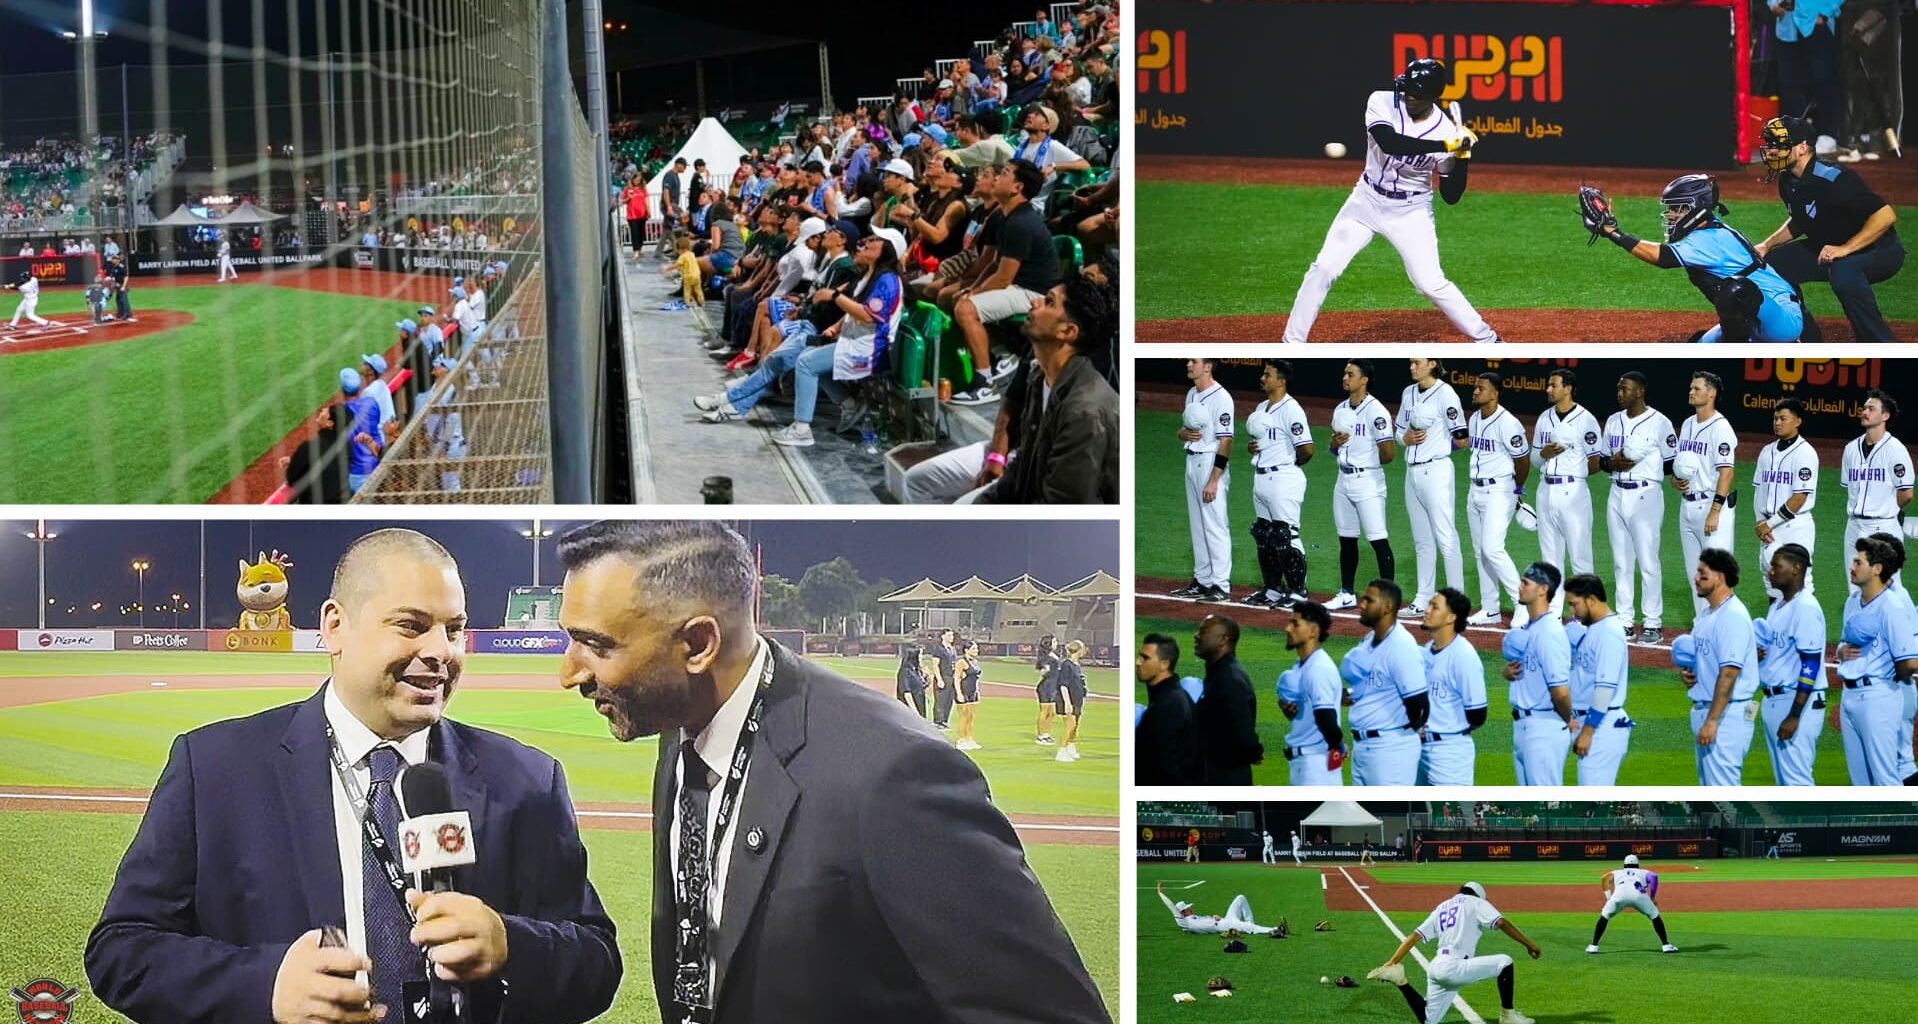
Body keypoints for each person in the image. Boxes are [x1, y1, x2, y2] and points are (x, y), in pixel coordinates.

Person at [551, 521, 1109, 1023]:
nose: (568, 673)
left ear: (699, 644)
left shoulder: (897, 775)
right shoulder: (679, 726)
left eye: (596, 645)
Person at [86, 529, 622, 1024]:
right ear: (335, 626)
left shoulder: (527, 779)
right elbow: (121, 950)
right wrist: (264, 986)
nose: (441, 652)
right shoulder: (214, 768)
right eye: (412, 625)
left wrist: (510, 946)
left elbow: (596, 960)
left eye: (455, 630)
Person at [1283, 58, 1499, 343]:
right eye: (1405, 88)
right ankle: (1292, 343)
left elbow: (1451, 196)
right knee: (1323, 268)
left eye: (1415, 93)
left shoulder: (1446, 130)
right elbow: (1390, 142)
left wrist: (1462, 157)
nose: (1407, 95)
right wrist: (1445, 146)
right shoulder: (1382, 101)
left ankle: (1487, 339)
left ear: (1432, 97)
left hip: (1411, 211)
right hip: (1366, 200)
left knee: (1430, 284)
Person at [1587, 173, 1805, 342]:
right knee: (1699, 347)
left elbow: (1662, 258)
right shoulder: (1708, 229)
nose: (1670, 215)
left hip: (1781, 320)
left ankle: (1776, 345)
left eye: (1676, 208)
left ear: (1695, 208)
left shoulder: (1709, 239)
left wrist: (1614, 233)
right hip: (1758, 315)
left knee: (1735, 292)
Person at [1753, 115, 1904, 342]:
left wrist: (1844, 249)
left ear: (1802, 148)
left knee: (1843, 272)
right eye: (1770, 145)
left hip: (1880, 249)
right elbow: (1801, 219)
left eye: (1778, 145)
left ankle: (1880, 345)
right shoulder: (1788, 180)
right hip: (1830, 248)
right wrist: (1767, 245)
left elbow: (1885, 216)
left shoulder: (1834, 178)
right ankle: (1806, 337)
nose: (1771, 151)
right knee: (1773, 266)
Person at [974, 280, 1119, 504]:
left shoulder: (1084, 411)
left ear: (1068, 331)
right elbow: (1023, 465)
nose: (1034, 301)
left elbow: (1062, 508)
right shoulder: (1040, 378)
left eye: (1049, 302)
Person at [769, 227, 907, 449]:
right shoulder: (869, 275)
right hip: (854, 341)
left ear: (887, 249)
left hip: (871, 349)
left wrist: (834, 296)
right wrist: (836, 326)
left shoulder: (888, 280)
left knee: (806, 363)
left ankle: (802, 428)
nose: (867, 242)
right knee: (809, 357)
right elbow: (855, 310)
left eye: (874, 240)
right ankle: (850, 403)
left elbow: (868, 315)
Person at [949, 159, 1061, 405]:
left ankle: (984, 382)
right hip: (1015, 286)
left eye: (1005, 173)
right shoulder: (1004, 215)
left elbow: (1003, 277)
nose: (998, 177)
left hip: (1033, 291)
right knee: (963, 298)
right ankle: (1001, 355)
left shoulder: (1021, 223)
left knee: (965, 308)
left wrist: (973, 294)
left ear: (1016, 188)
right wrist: (973, 288)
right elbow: (992, 265)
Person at [1367, 882, 1540, 1024]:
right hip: (1455, 966)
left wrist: (1392, 961)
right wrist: (1529, 944)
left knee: (1429, 1020)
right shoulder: (1476, 902)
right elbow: (1501, 923)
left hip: (1436, 967)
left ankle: (1400, 980)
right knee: (1505, 962)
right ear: (1477, 895)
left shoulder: (1442, 907)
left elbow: (1414, 936)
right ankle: (1508, 1016)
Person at [1600, 371, 1678, 645]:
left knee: (1647, 561)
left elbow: (1671, 463)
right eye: (1619, 389)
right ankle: (1624, 621)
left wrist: (1661, 473)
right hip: (1616, 493)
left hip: (1646, 495)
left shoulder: (1660, 422)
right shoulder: (1612, 421)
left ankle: (1653, 623)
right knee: (1621, 563)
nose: (1620, 393)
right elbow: (1603, 458)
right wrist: (1613, 465)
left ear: (1640, 391)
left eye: (1625, 389)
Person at [1835, 535, 1918, 785]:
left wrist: (1885, 677)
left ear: (1877, 569)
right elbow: (1843, 640)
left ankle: (1901, 823)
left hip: (1878, 697)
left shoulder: (1892, 605)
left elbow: (1910, 660)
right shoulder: (1853, 601)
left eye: (1858, 562)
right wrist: (1840, 651)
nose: (1852, 566)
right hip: (1849, 695)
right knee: (1861, 781)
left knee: (1886, 776)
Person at [1395, 358, 1466, 617]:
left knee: (1446, 537)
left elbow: (1462, 437)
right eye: (1411, 362)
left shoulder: (1446, 394)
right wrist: (1405, 438)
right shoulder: (1408, 392)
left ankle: (1455, 602)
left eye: (1417, 362)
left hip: (1436, 471)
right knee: (1422, 540)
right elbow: (1398, 432)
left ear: (1433, 364)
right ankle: (1423, 598)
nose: (1412, 366)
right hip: (1411, 472)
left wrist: (1439, 447)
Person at [1682, 549, 1760, 785]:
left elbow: (1729, 673)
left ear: (1720, 577)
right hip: (1710, 711)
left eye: (1702, 574)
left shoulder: (1732, 616)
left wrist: (1712, 721)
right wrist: (1692, 674)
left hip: (1727, 716)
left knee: (1723, 792)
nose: (1696, 578)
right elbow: (1710, 663)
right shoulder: (1707, 615)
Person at [1341, 580, 1428, 786]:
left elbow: (1420, 707)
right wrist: (1351, 694)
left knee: (1390, 816)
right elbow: (1378, 686)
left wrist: (1398, 736)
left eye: (1369, 600)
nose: (1362, 605)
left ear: (1388, 607)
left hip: (1390, 751)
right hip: (1364, 749)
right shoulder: (1370, 639)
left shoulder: (1401, 646)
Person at [1327, 359, 1398, 609]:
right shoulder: (1340, 409)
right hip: (1342, 480)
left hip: (1367, 482)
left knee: (1378, 540)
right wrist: (1336, 444)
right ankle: (1346, 593)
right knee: (1346, 538)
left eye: (1350, 374)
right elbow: (1332, 449)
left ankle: (1389, 598)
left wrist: (1365, 464)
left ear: (1364, 380)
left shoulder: (1375, 411)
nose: (1345, 378)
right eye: (1344, 373)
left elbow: (1389, 453)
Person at [1245, 359, 1315, 608]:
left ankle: (1298, 592)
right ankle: (1272, 590)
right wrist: (1253, 448)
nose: (1263, 378)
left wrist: (1286, 463)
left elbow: (1307, 449)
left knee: (1286, 535)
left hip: (1284, 479)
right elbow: (1261, 443)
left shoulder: (1291, 410)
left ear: (1281, 381)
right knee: (1264, 534)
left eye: (1268, 374)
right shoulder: (1262, 407)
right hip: (1261, 477)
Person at [1531, 370, 1602, 617]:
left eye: (1553, 385)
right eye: (1549, 385)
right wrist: (1545, 455)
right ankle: (1552, 612)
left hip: (1573, 492)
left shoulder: (1586, 420)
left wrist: (1573, 468)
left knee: (1580, 556)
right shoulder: (1543, 418)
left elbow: (1596, 462)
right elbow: (1534, 459)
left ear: (1568, 388)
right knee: (1549, 558)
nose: (1548, 389)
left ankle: (1585, 613)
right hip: (1545, 489)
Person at [1758, 543, 1827, 785]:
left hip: (1796, 703)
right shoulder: (1777, 606)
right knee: (1785, 783)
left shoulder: (1806, 608)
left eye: (1777, 567)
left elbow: (1811, 664)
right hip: (1776, 700)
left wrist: (1795, 715)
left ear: (1796, 569)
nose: (1771, 572)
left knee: (1797, 782)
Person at [1465, 372, 1531, 627]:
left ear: (1495, 393)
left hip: (1499, 491)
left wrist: (1516, 490)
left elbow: (1523, 460)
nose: (1475, 392)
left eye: (1481, 388)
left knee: (1493, 548)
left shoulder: (1509, 423)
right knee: (1481, 551)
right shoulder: (1474, 419)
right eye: (1475, 387)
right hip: (1475, 491)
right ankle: (1490, 608)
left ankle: (1521, 604)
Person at [1674, 371, 1739, 620]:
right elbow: (1683, 465)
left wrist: (1715, 511)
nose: (1691, 392)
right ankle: (1703, 625)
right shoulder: (1689, 424)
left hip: (1712, 508)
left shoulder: (1721, 428)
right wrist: (1676, 480)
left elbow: (1726, 473)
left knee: (1715, 575)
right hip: (1687, 506)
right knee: (1696, 575)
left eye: (1697, 388)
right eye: (1691, 388)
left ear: (1712, 393)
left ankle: (1723, 627)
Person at [1170, 358, 1235, 601]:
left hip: (1210, 462)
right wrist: (1182, 433)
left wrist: (1214, 480)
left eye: (1194, 361)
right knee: (1198, 525)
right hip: (1191, 460)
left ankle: (1221, 586)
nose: (1188, 364)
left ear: (1207, 367)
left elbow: (1226, 440)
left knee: (1215, 525)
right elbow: (1184, 430)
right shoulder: (1191, 394)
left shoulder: (1222, 398)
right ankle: (1202, 580)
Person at [1505, 563, 1574, 785]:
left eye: (1526, 582)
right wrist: (1508, 674)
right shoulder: (1530, 628)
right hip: (1524, 727)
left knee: (1545, 807)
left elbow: (1560, 691)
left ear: (1543, 589)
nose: (1520, 587)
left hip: (1544, 729)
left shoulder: (1550, 632)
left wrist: (1568, 720)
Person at [1839, 390, 1911, 595]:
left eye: (1871, 409)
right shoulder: (1851, 449)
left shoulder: (1895, 450)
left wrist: (1889, 512)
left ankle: (1899, 627)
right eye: (1864, 408)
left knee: (1889, 586)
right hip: (1853, 526)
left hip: (1883, 526)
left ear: (1885, 416)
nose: (1865, 412)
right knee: (1854, 585)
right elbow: (1849, 488)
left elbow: (1906, 493)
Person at [1565, 574, 1633, 786]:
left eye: (1574, 604)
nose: (1572, 612)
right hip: (1591, 723)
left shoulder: (1609, 633)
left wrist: (1588, 731)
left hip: (1601, 727)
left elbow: (1605, 689)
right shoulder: (1595, 629)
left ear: (1591, 600)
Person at [1753, 399, 1820, 598]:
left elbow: (1799, 498)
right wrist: (1760, 521)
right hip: (1768, 526)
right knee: (1771, 579)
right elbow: (1759, 490)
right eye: (1775, 418)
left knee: (1800, 581)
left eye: (1783, 418)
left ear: (1798, 421)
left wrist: (1769, 523)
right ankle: (1776, 626)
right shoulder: (1766, 451)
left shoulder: (1805, 453)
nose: (1777, 423)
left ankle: (1806, 628)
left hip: (1795, 526)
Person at [1419, 589, 1486, 786]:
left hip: (1449, 754)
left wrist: (1448, 730)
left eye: (1434, 606)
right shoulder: (1427, 650)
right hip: (1419, 750)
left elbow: (1478, 714)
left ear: (1451, 618)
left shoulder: (1463, 656)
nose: (1427, 610)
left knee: (1453, 814)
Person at [1277, 600, 1346, 785]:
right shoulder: (1303, 666)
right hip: (1307, 763)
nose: (1287, 628)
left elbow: (1326, 717)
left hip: (1316, 766)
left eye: (1295, 624)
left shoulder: (1318, 668)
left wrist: (1339, 746)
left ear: (1314, 631)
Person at [1767, 5, 1846, 156]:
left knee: (1823, 79)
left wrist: (1825, 12)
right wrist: (1773, 3)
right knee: (1788, 83)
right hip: (1787, 24)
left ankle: (1827, 134)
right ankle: (1791, 136)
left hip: (1817, 18)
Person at [1193, 614, 1262, 784]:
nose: (1197, 635)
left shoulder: (1228, 679)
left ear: (1223, 640)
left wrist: (1253, 750)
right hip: (1221, 771)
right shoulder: (1220, 674)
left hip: (1226, 775)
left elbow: (1242, 728)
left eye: (1204, 631)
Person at [1136, 632, 1200, 785]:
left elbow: (1165, 766)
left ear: (1164, 664)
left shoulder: (1169, 705)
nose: (1138, 662)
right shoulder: (1172, 698)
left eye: (1145, 658)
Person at [1586, 855, 1677, 955]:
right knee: (1654, 916)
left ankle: (1594, 946)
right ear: (1637, 865)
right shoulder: (1643, 872)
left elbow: (1604, 878)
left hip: (1619, 895)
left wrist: (1609, 897)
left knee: (1605, 916)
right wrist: (1652, 897)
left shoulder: (1618, 872)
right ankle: (1666, 945)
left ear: (1624, 865)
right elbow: (1654, 877)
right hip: (1639, 895)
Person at [1155, 882, 1279, 937]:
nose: (1190, 907)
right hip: (1221, 926)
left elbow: (1198, 926)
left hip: (1223, 921)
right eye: (1187, 907)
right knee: (1249, 928)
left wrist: (1215, 917)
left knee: (1240, 898)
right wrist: (1161, 893)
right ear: (1182, 912)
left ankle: (1250, 923)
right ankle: (1274, 929)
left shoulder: (1188, 922)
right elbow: (1171, 907)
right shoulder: (1183, 921)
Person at [1053, 639, 1091, 763]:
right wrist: (1067, 703)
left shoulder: (1076, 665)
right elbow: (1063, 685)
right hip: (1068, 700)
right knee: (1070, 725)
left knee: (1075, 726)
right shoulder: (1066, 665)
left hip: (1078, 699)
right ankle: (1061, 750)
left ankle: (1070, 746)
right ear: (1078, 650)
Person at [953, 638, 985, 752]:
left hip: (973, 692)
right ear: (966, 650)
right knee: (963, 717)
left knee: (971, 717)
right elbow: (956, 678)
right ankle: (961, 739)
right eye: (974, 648)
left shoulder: (974, 662)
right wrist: (959, 693)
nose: (977, 650)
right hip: (964, 691)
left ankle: (969, 738)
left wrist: (978, 691)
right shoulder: (961, 662)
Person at [1034, 634, 1062, 746]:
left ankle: (1047, 734)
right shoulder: (1044, 657)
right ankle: (1041, 735)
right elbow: (1043, 671)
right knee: (1044, 711)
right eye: (1054, 642)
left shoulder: (1054, 655)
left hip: (1054, 686)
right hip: (1046, 687)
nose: (1056, 644)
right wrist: (1045, 669)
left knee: (1052, 712)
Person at [896, 632, 928, 718]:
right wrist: (914, 711)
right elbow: (906, 693)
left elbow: (923, 687)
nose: (921, 657)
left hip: (920, 705)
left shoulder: (916, 670)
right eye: (920, 655)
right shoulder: (905, 672)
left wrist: (926, 676)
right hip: (909, 712)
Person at [622, 173, 651, 259]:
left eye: (639, 180)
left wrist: (648, 210)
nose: (637, 182)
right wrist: (628, 198)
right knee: (634, 233)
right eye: (636, 180)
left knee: (641, 233)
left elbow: (646, 200)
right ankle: (636, 251)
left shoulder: (643, 189)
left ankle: (640, 248)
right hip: (632, 215)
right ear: (633, 179)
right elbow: (623, 201)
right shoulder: (627, 189)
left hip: (642, 214)